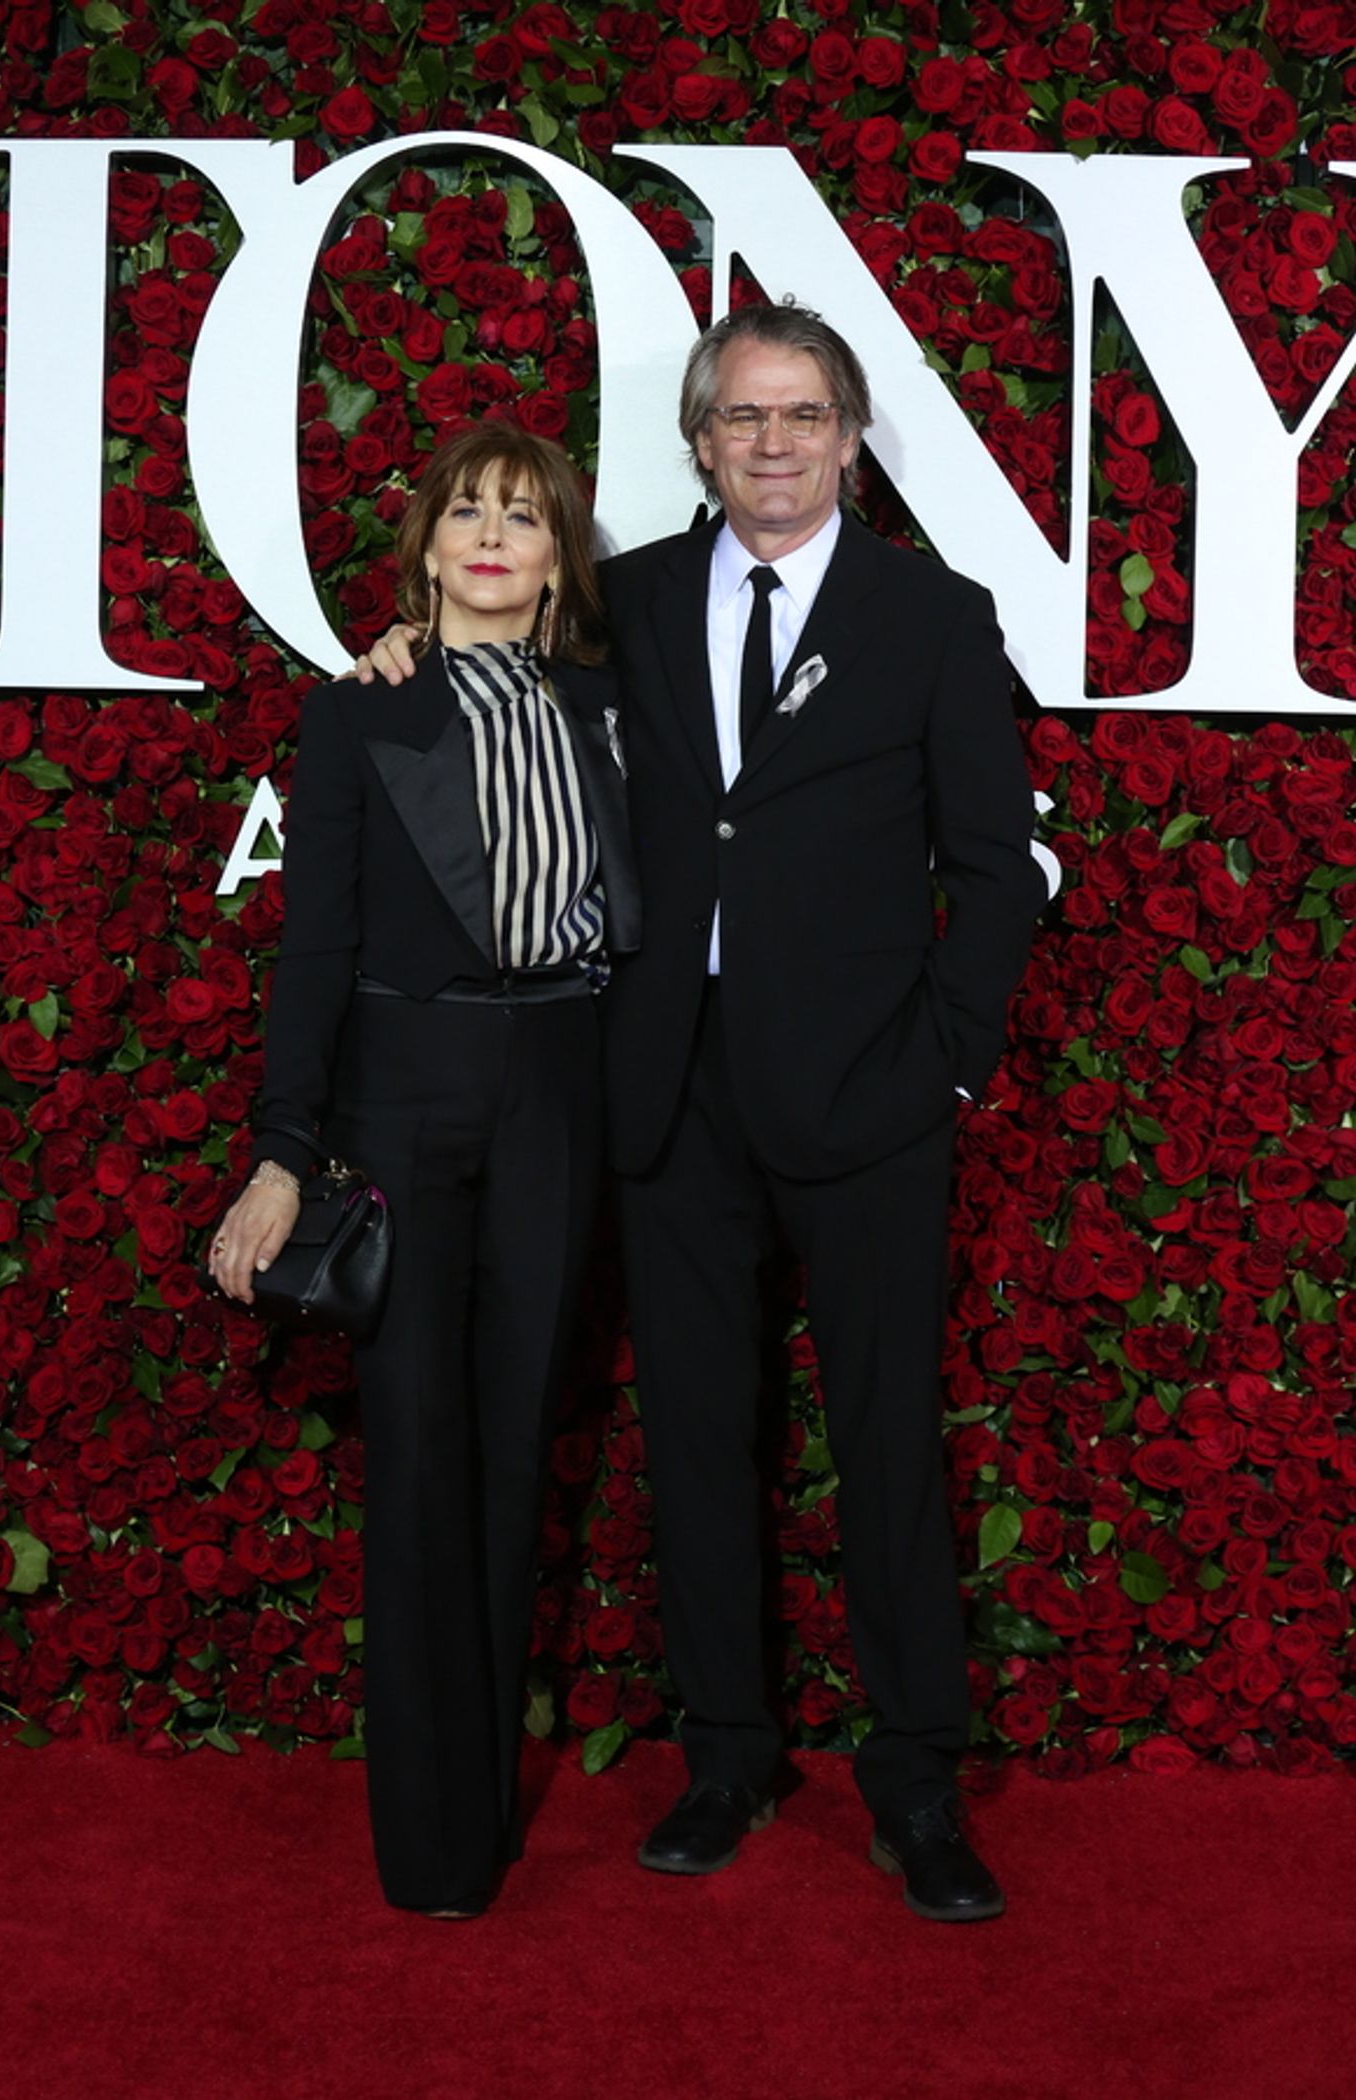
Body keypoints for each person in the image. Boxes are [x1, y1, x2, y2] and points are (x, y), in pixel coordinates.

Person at [359, 303, 1045, 1923]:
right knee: (694, 1439)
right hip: (667, 1085)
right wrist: (393, 655)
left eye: (803, 416)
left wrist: (945, 1060)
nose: (774, 444)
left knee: (885, 1445)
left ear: (852, 439)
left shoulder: (931, 615)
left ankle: (916, 1780)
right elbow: (486, 668)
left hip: (872, 1090)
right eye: (743, 419)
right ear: (701, 442)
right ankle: (727, 1753)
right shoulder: (637, 602)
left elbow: (993, 869)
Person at [210, 424, 639, 1918]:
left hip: (560, 1095)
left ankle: (486, 1809)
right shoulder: (360, 717)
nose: (491, 536)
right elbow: (312, 947)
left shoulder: (607, 706)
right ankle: (430, 1844)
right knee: (419, 1456)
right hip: (405, 1098)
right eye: (467, 511)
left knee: (517, 1450)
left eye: (522, 517)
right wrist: (281, 1158)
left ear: (556, 554)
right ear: (427, 548)